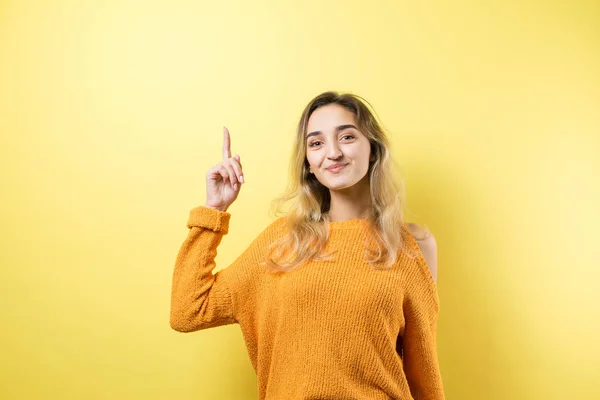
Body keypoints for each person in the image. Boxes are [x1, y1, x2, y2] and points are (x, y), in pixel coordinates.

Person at [170, 91, 445, 399]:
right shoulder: (282, 240)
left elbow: (424, 371)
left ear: (372, 149)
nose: (333, 153)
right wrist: (214, 209)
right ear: (309, 164)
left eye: (347, 137)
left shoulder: (413, 245)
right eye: (316, 143)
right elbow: (189, 310)